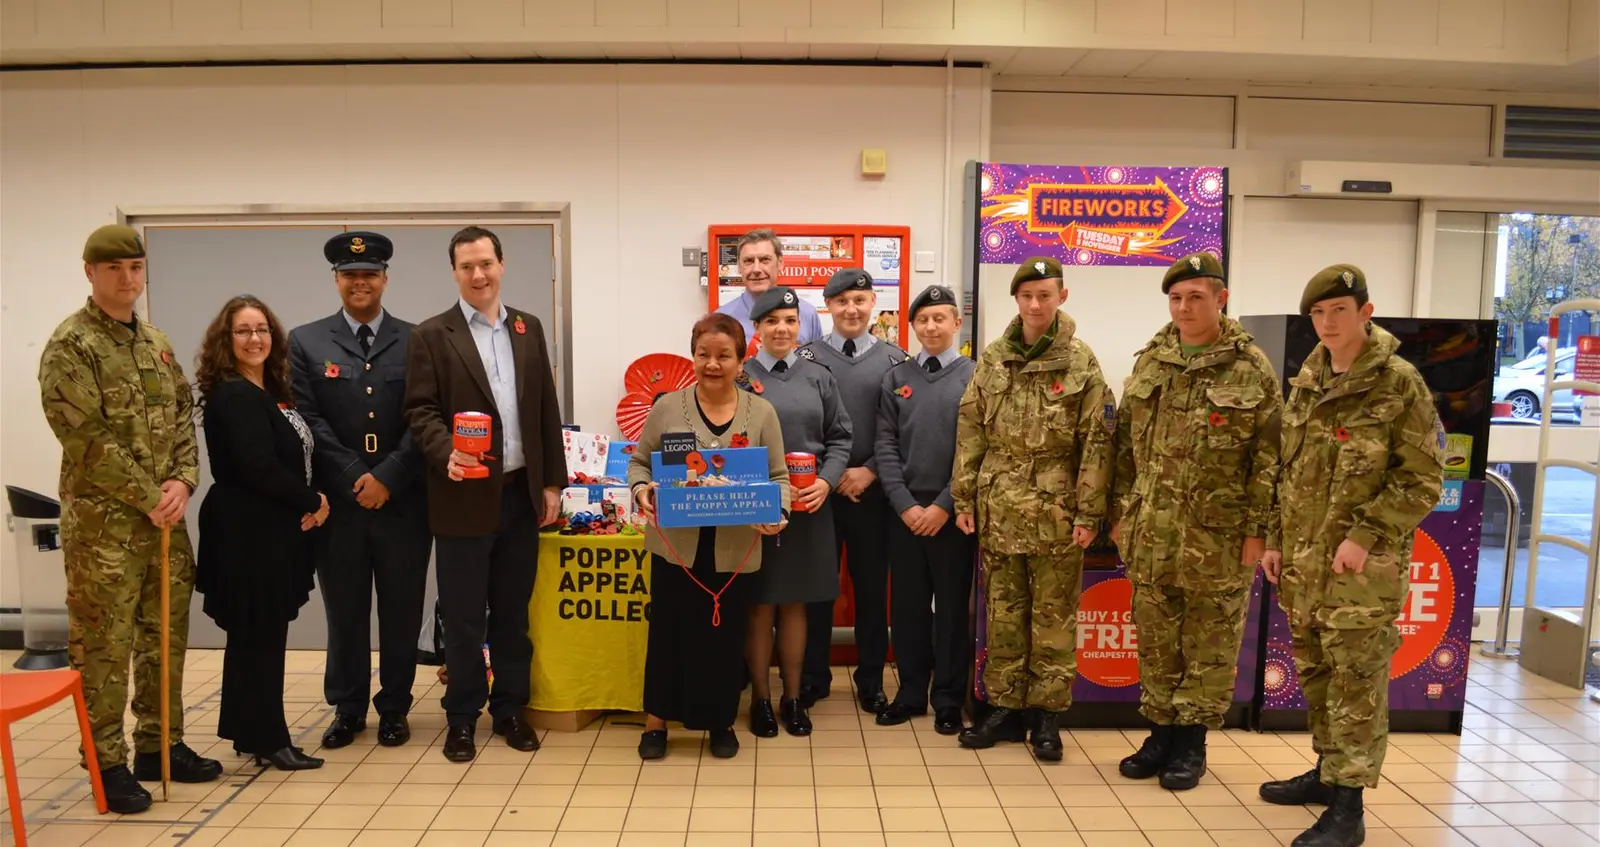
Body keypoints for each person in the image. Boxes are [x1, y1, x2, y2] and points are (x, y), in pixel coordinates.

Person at [37, 225, 224, 813]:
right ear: (90, 272)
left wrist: (183, 482)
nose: (128, 278)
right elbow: (84, 436)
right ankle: (106, 761)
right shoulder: (73, 345)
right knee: (103, 646)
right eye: (115, 268)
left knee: (161, 640)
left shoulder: (156, 343)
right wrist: (150, 495)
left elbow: (183, 420)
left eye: (136, 267)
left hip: (164, 525)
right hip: (105, 532)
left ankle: (159, 744)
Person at [1258, 266, 1444, 847]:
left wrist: (1364, 535)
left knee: (1356, 684)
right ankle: (1327, 771)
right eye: (1319, 313)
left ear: (1366, 311)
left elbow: (1422, 479)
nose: (1328, 322)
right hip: (1305, 568)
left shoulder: (1398, 383)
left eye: (1339, 309)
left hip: (1361, 572)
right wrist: (1273, 540)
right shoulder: (1308, 380)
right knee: (1317, 676)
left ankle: (1349, 808)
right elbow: (1286, 474)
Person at [1109, 253, 1282, 791]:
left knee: (1209, 644)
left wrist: (1260, 530)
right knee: (1157, 639)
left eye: (1196, 298)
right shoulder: (1152, 361)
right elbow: (1122, 448)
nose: (1184, 308)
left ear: (1221, 299)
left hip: (1220, 536)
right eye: (1176, 298)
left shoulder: (1250, 367)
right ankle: (1159, 733)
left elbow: (1271, 458)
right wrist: (1119, 513)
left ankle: (1192, 743)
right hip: (1151, 531)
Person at [404, 225, 567, 763]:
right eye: (466, 266)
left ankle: (510, 710)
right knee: (466, 616)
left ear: (501, 265)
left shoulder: (528, 327)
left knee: (512, 614)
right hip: (462, 497)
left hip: (521, 495)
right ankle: (461, 717)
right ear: (454, 272)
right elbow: (419, 410)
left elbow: (546, 408)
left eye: (485, 264)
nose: (478, 274)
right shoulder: (432, 334)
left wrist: (551, 483)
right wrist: (445, 448)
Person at [951, 256, 1113, 762]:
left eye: (1045, 295)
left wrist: (1089, 514)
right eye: (1027, 296)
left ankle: (1046, 715)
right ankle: (1002, 709)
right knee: (1003, 613)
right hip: (1000, 508)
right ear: (1016, 300)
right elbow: (971, 429)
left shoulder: (1081, 362)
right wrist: (964, 497)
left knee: (1054, 618)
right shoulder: (994, 358)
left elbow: (1097, 442)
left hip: (1058, 512)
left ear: (1061, 297)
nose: (1036, 304)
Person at [290, 231, 432, 750]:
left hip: (403, 504)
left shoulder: (419, 338)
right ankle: (347, 708)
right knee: (345, 611)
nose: (360, 282)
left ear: (385, 278)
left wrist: (389, 475)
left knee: (401, 610)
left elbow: (424, 415)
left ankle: (394, 707)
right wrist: (356, 475)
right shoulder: (307, 341)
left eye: (370, 273)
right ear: (336, 280)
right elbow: (307, 417)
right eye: (350, 275)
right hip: (342, 505)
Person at [628, 313, 791, 761]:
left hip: (734, 550)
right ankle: (656, 722)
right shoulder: (667, 407)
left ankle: (720, 722)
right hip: (674, 548)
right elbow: (640, 462)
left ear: (742, 360)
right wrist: (642, 490)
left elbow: (779, 477)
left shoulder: (761, 412)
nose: (713, 364)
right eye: (704, 355)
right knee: (667, 635)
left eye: (724, 356)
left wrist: (777, 511)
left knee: (724, 639)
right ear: (693, 356)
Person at [194, 295, 330, 771]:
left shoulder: (268, 389)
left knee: (256, 636)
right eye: (243, 331)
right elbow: (258, 468)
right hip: (248, 535)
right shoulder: (235, 394)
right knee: (261, 637)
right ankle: (270, 738)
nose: (255, 339)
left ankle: (248, 730)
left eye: (262, 330)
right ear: (225, 341)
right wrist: (313, 501)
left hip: (270, 529)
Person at [738, 286, 852, 737]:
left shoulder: (818, 376)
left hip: (809, 506)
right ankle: (761, 700)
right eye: (772, 322)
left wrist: (826, 480)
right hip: (755, 508)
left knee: (796, 605)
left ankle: (792, 698)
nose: (781, 329)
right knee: (759, 606)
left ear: (800, 326)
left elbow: (841, 436)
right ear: (758, 328)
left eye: (790, 321)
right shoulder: (740, 376)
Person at [798, 268, 906, 712]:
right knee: (819, 588)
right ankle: (812, 677)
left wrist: (871, 471)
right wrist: (828, 475)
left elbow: (903, 431)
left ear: (872, 304)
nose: (851, 309)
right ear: (829, 307)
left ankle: (871, 681)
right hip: (819, 492)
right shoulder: (807, 358)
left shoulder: (897, 360)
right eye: (841, 302)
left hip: (872, 493)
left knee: (870, 589)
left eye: (859, 301)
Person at [874, 285, 977, 735]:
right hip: (905, 515)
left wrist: (942, 505)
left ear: (957, 323)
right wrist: (904, 505)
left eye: (941, 318)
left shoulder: (976, 376)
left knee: (952, 609)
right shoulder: (897, 378)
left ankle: (949, 698)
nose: (932, 326)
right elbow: (885, 445)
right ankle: (911, 692)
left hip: (954, 516)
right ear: (912, 327)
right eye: (923, 320)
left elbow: (978, 450)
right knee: (910, 609)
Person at [715, 228, 823, 348]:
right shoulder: (721, 319)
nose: (756, 269)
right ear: (739, 267)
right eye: (748, 261)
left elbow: (818, 363)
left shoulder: (807, 314)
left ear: (780, 262)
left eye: (764, 260)